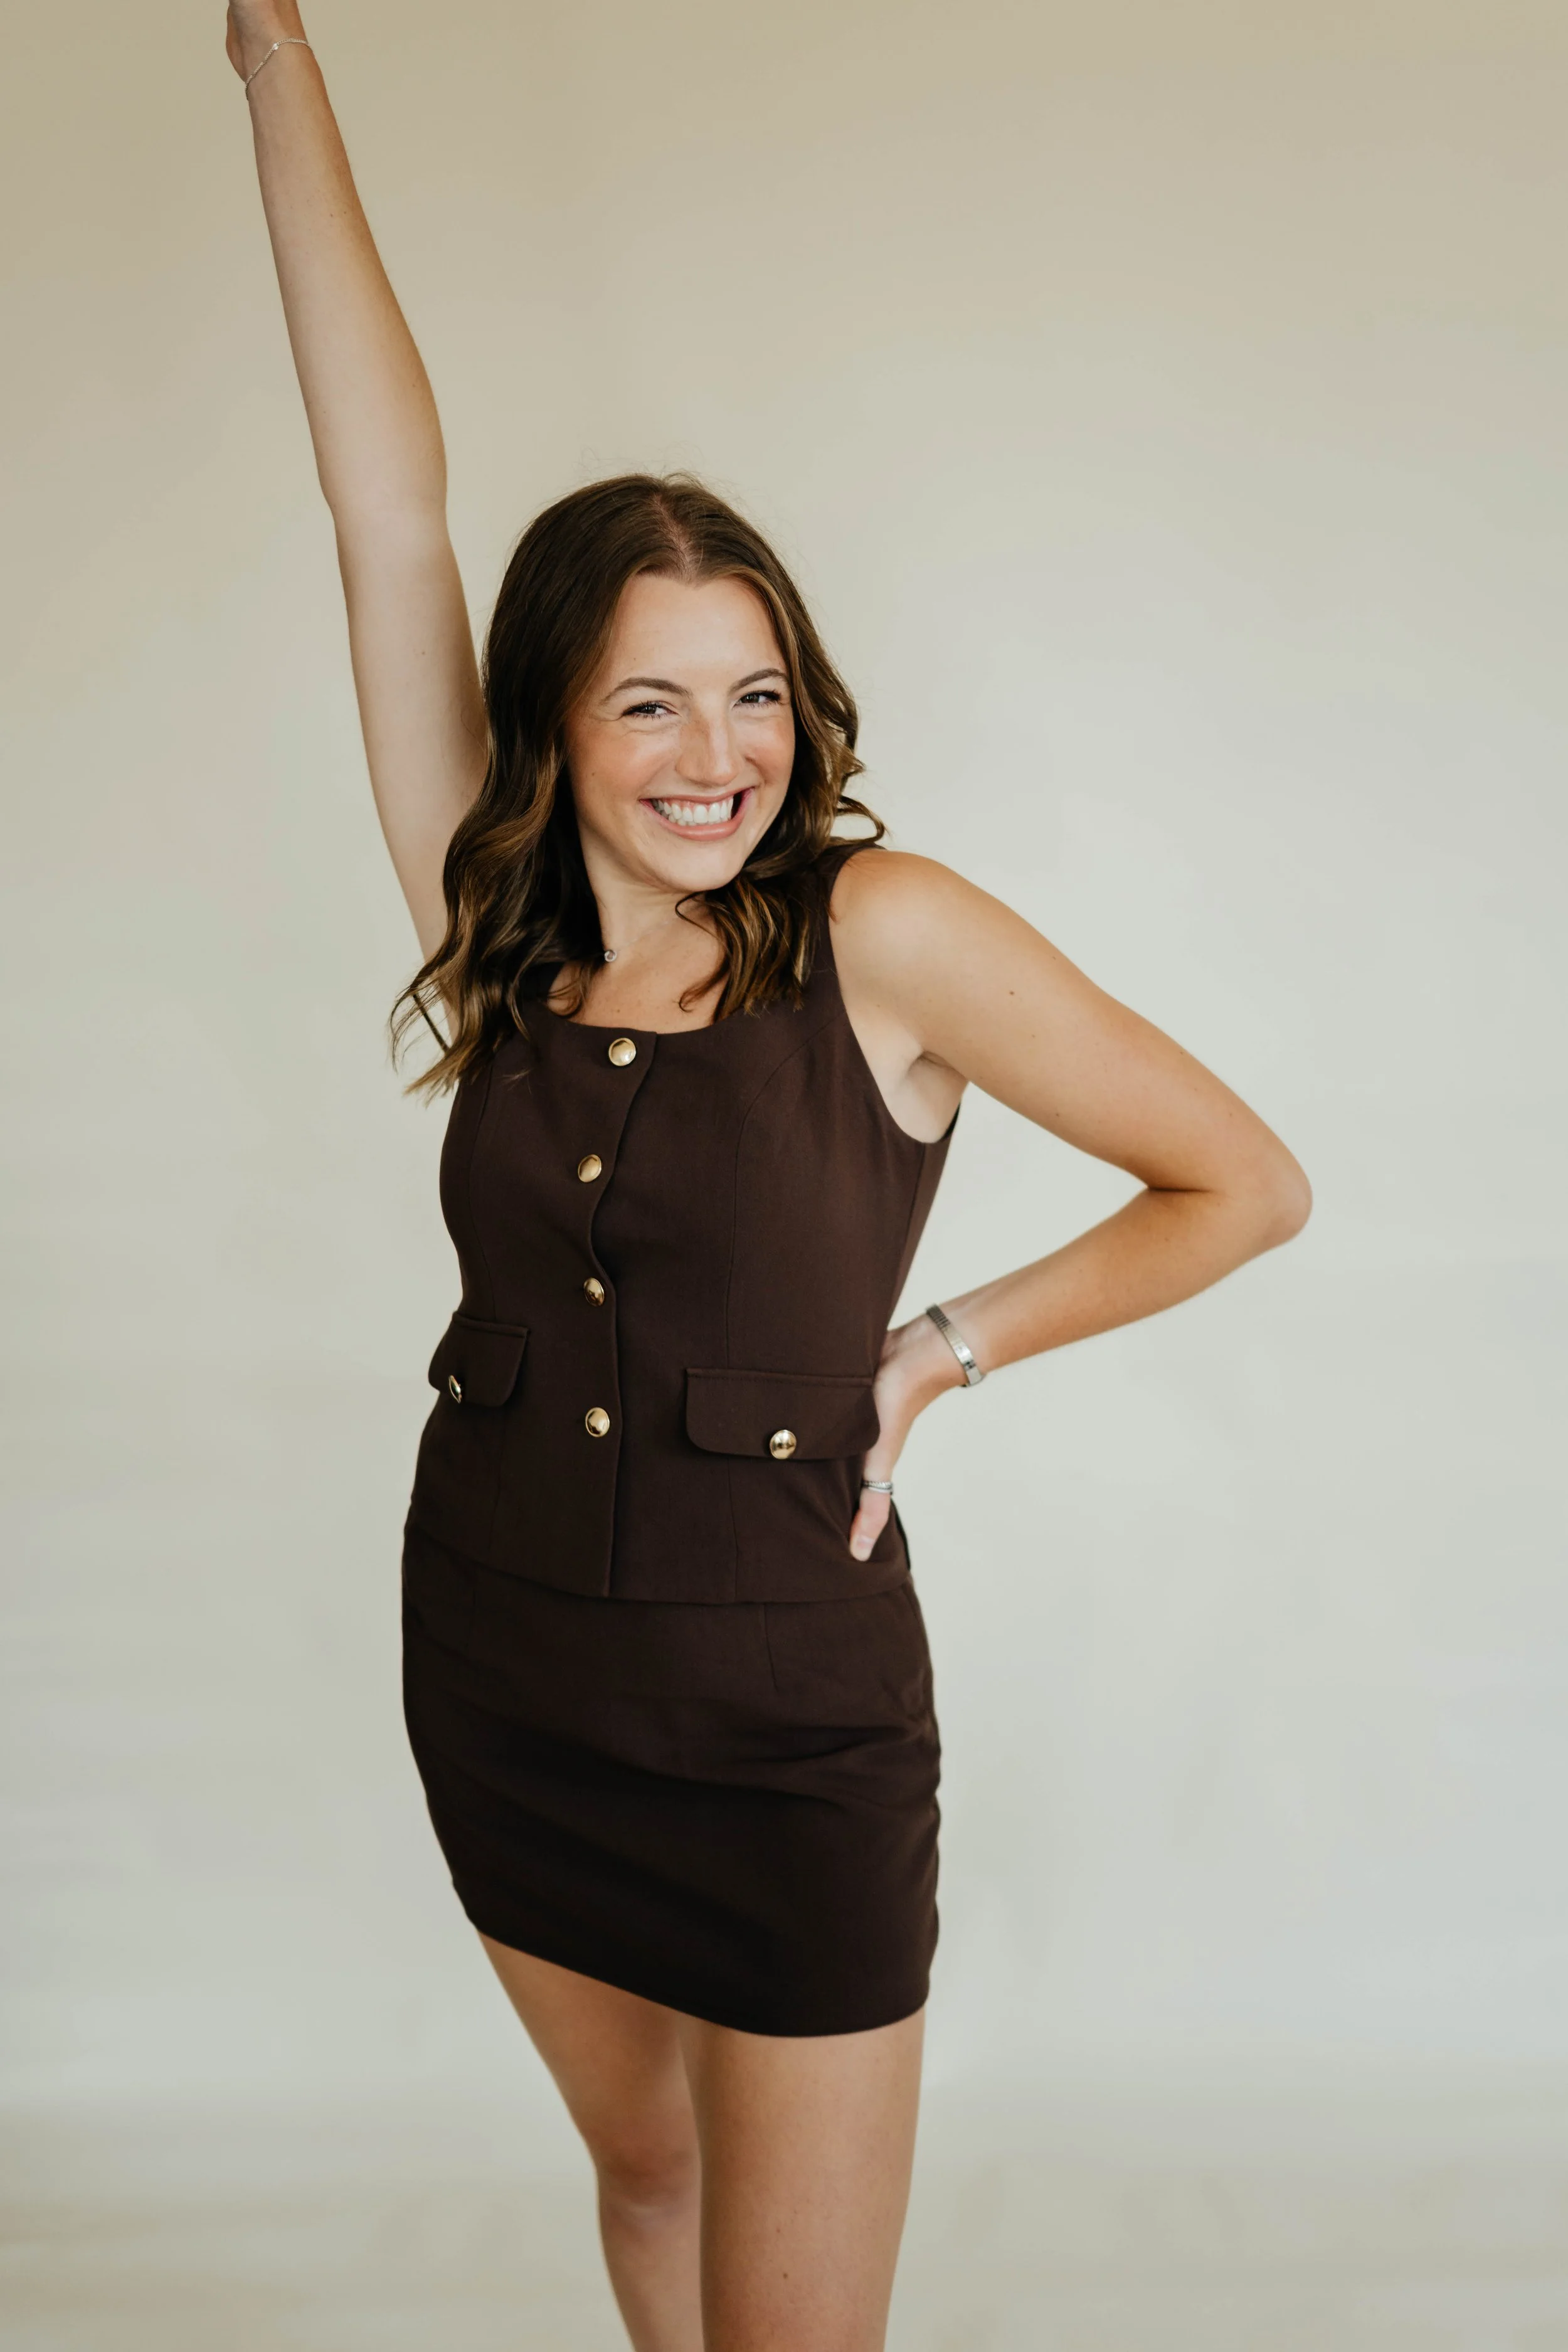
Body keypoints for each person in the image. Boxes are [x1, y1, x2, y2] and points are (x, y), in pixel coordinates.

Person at [226, 8, 1311, 2347]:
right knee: (643, 2171)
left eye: (755, 696)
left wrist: (942, 1346)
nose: (716, 756)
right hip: (503, 1665)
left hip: (791, 1724)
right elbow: (383, 504)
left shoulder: (883, 939)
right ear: (551, 726)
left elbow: (1240, 1179)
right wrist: (271, 52)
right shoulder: (491, 929)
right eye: (647, 701)